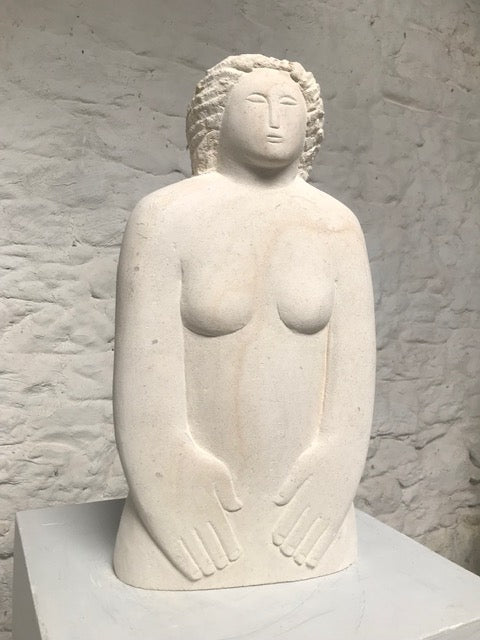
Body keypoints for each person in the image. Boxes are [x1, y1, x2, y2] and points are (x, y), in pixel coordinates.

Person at [113, 54, 376, 590]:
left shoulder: (337, 226)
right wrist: (167, 475)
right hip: (185, 503)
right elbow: (143, 372)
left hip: (309, 506)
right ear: (217, 117)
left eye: (290, 105)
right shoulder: (166, 218)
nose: (276, 118)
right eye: (257, 102)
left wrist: (337, 467)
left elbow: (355, 375)